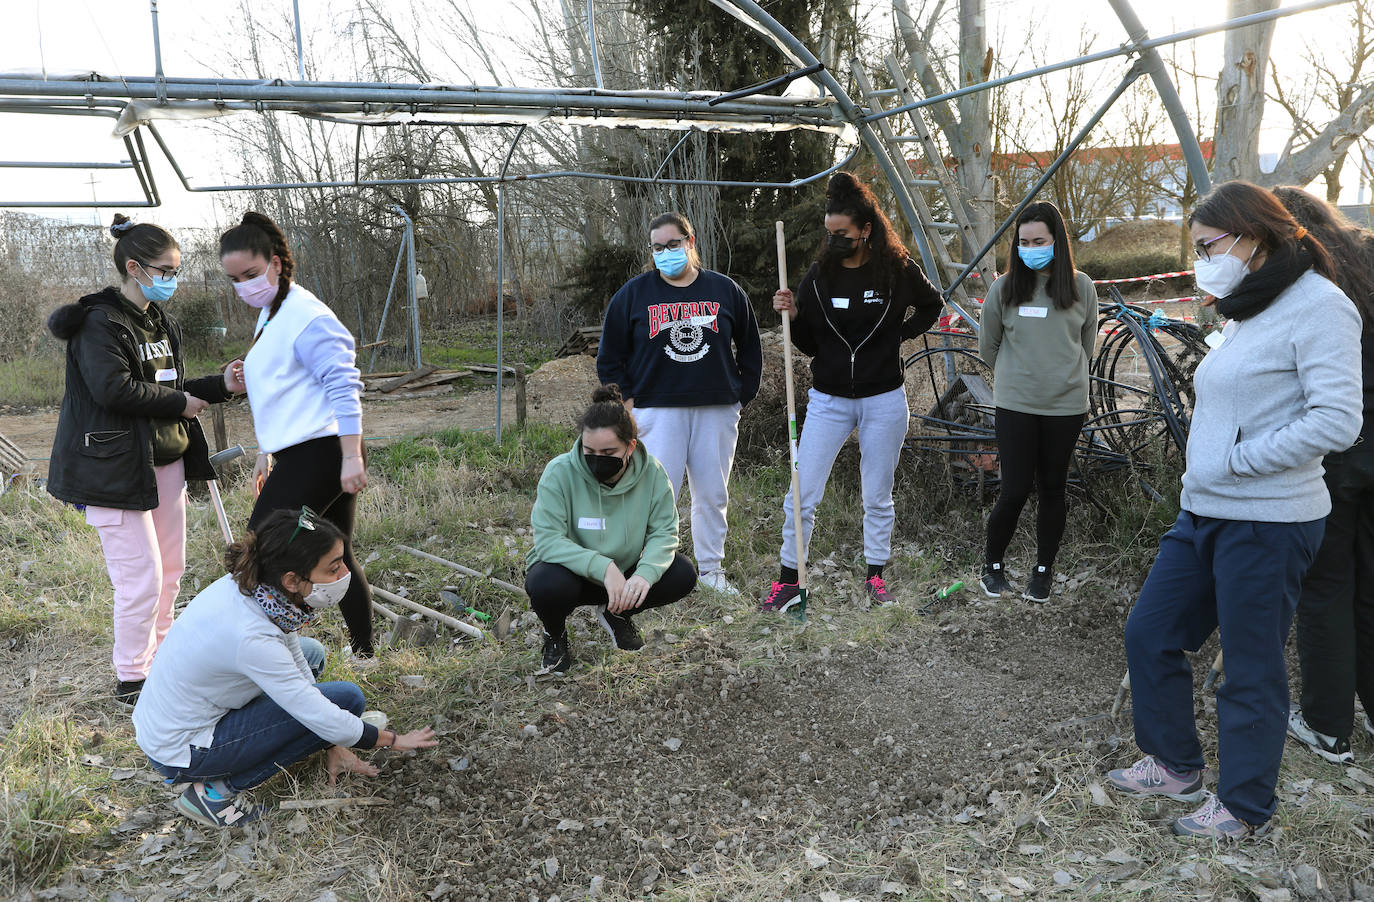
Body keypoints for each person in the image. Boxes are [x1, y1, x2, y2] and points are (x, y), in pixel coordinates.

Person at [1107, 180, 1362, 840]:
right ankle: (1174, 764)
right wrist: (1215, 468)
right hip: (1206, 508)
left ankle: (1245, 806)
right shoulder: (1249, 306)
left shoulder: (1320, 307)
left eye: (1206, 245)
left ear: (1253, 237)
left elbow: (1336, 419)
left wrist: (1243, 460)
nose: (1199, 259)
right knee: (1150, 633)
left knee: (1250, 668)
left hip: (1270, 517)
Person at [46, 214, 245, 707]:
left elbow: (169, 387)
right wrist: (180, 405)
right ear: (134, 268)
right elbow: (113, 390)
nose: (171, 280)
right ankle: (133, 677)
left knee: (171, 570)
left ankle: (162, 660)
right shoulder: (99, 323)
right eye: (164, 270)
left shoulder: (159, 321)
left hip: (165, 462)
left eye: (175, 270)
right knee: (142, 577)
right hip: (112, 468)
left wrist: (221, 385)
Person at [132, 509, 437, 828]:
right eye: (333, 568)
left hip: (174, 719)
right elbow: (316, 710)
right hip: (184, 748)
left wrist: (332, 742)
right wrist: (391, 739)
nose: (344, 573)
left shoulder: (258, 587)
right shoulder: (252, 637)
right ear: (292, 579)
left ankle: (276, 749)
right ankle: (212, 793)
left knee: (312, 654)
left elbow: (295, 659)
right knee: (346, 701)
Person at [766, 171, 943, 612]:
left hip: (884, 399)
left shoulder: (896, 271)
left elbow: (932, 304)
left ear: (866, 230)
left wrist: (898, 336)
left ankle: (875, 576)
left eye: (842, 234)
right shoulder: (818, 276)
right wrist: (790, 314)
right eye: (830, 235)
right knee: (801, 493)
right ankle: (790, 581)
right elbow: (809, 340)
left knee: (877, 494)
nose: (834, 241)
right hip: (828, 400)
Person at [219, 212, 374, 656]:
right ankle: (364, 650)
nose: (243, 286)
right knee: (338, 551)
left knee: (260, 552)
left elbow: (345, 387)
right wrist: (263, 455)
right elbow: (282, 395)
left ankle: (269, 652)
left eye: (250, 273)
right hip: (300, 450)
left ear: (277, 263)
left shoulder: (308, 316)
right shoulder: (271, 312)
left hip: (322, 452)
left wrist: (350, 457)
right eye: (234, 279)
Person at [597, 212, 762, 597]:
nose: (666, 253)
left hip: (716, 408)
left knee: (711, 493)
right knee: (657, 495)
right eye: (657, 247)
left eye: (673, 244)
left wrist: (741, 394)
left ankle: (710, 571)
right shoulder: (634, 295)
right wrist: (630, 403)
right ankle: (650, 572)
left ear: (690, 242)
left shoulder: (724, 290)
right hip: (657, 410)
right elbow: (609, 358)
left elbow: (751, 346)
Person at [1273, 185, 1374, 765]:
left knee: (1326, 588)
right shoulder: (1364, 253)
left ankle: (1327, 726)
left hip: (1335, 451)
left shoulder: (1305, 279)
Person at [525, 385, 697, 673]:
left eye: (608, 451)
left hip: (624, 577)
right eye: (588, 450)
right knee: (545, 583)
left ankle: (618, 613)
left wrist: (644, 575)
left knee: (682, 573)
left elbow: (664, 533)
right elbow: (548, 541)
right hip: (573, 575)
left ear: (630, 446)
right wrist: (604, 568)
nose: (596, 458)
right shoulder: (559, 472)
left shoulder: (653, 473)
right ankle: (554, 635)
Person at [976, 201, 1098, 603]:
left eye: (1039, 241)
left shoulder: (1081, 287)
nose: (1031, 248)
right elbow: (988, 347)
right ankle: (992, 566)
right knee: (1014, 488)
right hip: (1016, 406)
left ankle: (1042, 572)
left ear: (1056, 242)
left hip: (1065, 407)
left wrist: (1059, 378)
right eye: (1024, 241)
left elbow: (1086, 345)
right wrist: (1017, 379)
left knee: (1052, 488)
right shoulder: (1004, 288)